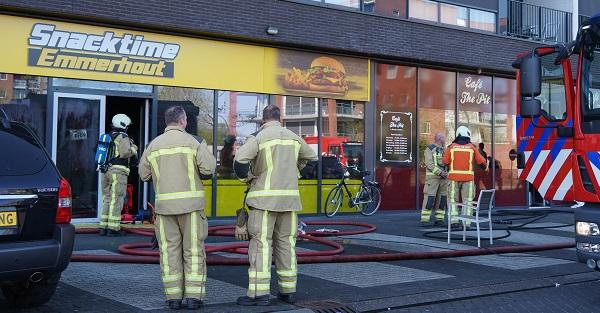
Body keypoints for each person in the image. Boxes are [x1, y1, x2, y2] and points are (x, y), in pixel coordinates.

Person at [233, 105, 318, 306]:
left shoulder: (259, 138)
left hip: (263, 201)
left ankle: (258, 293)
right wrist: (296, 172)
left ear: (263, 120)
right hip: (289, 201)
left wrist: (248, 178)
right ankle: (287, 291)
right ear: (280, 118)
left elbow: (239, 161)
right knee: (287, 244)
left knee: (261, 244)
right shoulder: (294, 138)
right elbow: (312, 160)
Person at [139, 106, 216, 310]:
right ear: (183, 121)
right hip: (191, 208)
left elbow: (143, 174)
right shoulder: (195, 142)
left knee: (169, 251)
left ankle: (173, 298)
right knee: (193, 251)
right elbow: (209, 169)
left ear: (167, 121)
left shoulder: (153, 145)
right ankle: (194, 298)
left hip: (164, 210)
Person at [99, 114, 138, 237]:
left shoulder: (108, 136)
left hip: (105, 171)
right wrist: (134, 148)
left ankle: (103, 227)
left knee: (107, 198)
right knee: (117, 198)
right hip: (118, 172)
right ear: (123, 125)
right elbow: (125, 153)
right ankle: (114, 229)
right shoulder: (123, 137)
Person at [443, 126, 487, 228]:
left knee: (452, 200)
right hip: (468, 179)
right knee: (468, 200)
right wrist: (484, 166)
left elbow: (445, 161)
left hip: (453, 178)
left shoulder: (451, 147)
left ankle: (454, 221)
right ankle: (466, 223)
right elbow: (482, 162)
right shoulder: (472, 148)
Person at [421, 132, 448, 227]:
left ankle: (439, 219)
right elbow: (429, 163)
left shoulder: (445, 150)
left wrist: (446, 173)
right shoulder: (430, 149)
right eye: (444, 138)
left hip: (443, 179)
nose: (445, 140)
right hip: (433, 179)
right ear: (440, 138)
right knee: (429, 198)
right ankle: (425, 220)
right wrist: (440, 172)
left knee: (442, 200)